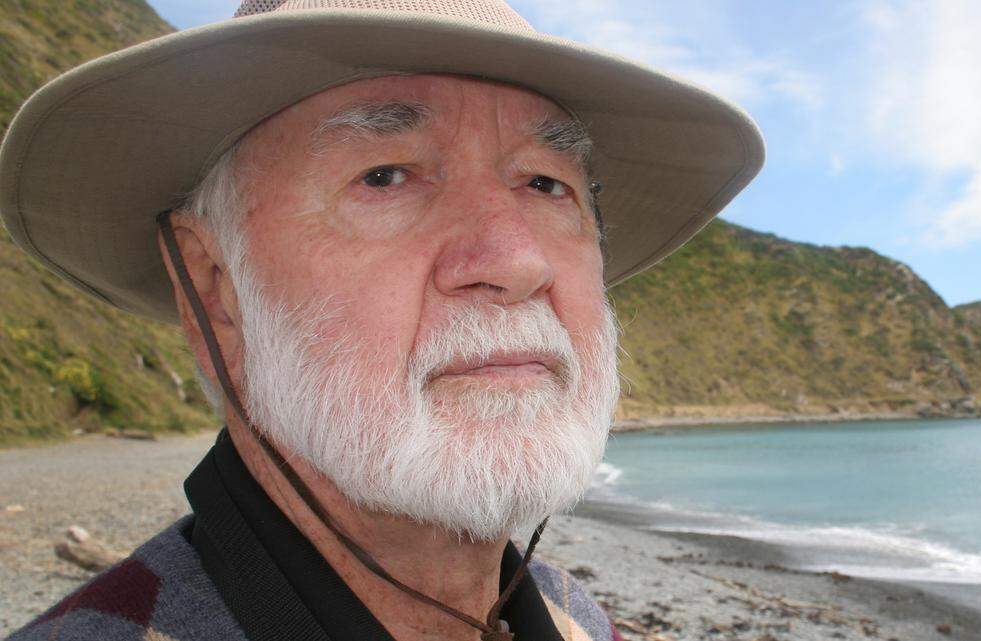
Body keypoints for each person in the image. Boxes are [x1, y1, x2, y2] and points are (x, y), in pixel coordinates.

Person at [0, 1, 764, 640]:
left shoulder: (580, 620)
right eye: (386, 176)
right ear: (216, 289)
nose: (515, 260)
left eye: (544, 182)